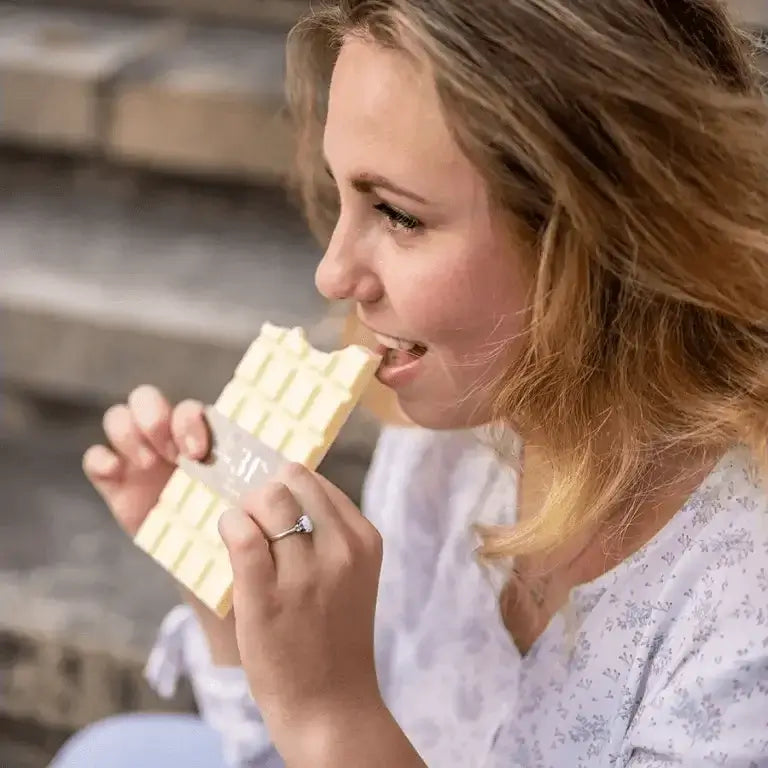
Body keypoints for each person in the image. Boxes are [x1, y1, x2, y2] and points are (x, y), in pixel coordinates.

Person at [54, 0, 768, 766]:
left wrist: (330, 713)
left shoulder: (740, 614)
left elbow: (327, 734)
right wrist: (229, 588)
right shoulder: (443, 443)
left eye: (397, 214)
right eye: (342, 197)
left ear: (605, 229)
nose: (332, 274)